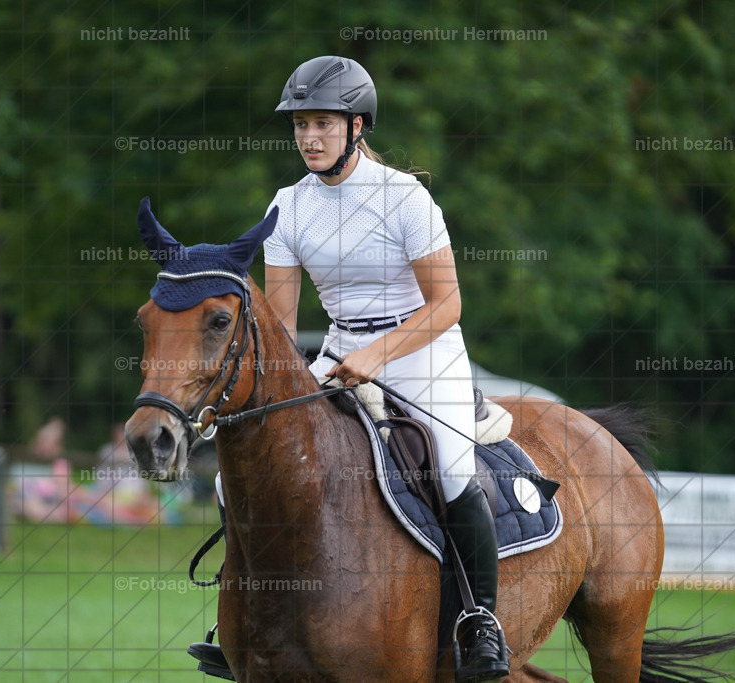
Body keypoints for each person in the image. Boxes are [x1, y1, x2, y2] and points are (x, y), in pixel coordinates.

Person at [189, 56, 510, 683]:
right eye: (300, 125)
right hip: (338, 350)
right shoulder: (288, 206)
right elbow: (280, 325)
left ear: (356, 126)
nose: (309, 137)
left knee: (449, 467)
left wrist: (377, 355)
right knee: (235, 478)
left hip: (423, 348)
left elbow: (448, 303)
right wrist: (247, 394)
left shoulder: (405, 197)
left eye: (322, 124)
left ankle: (480, 623)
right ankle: (248, 613)